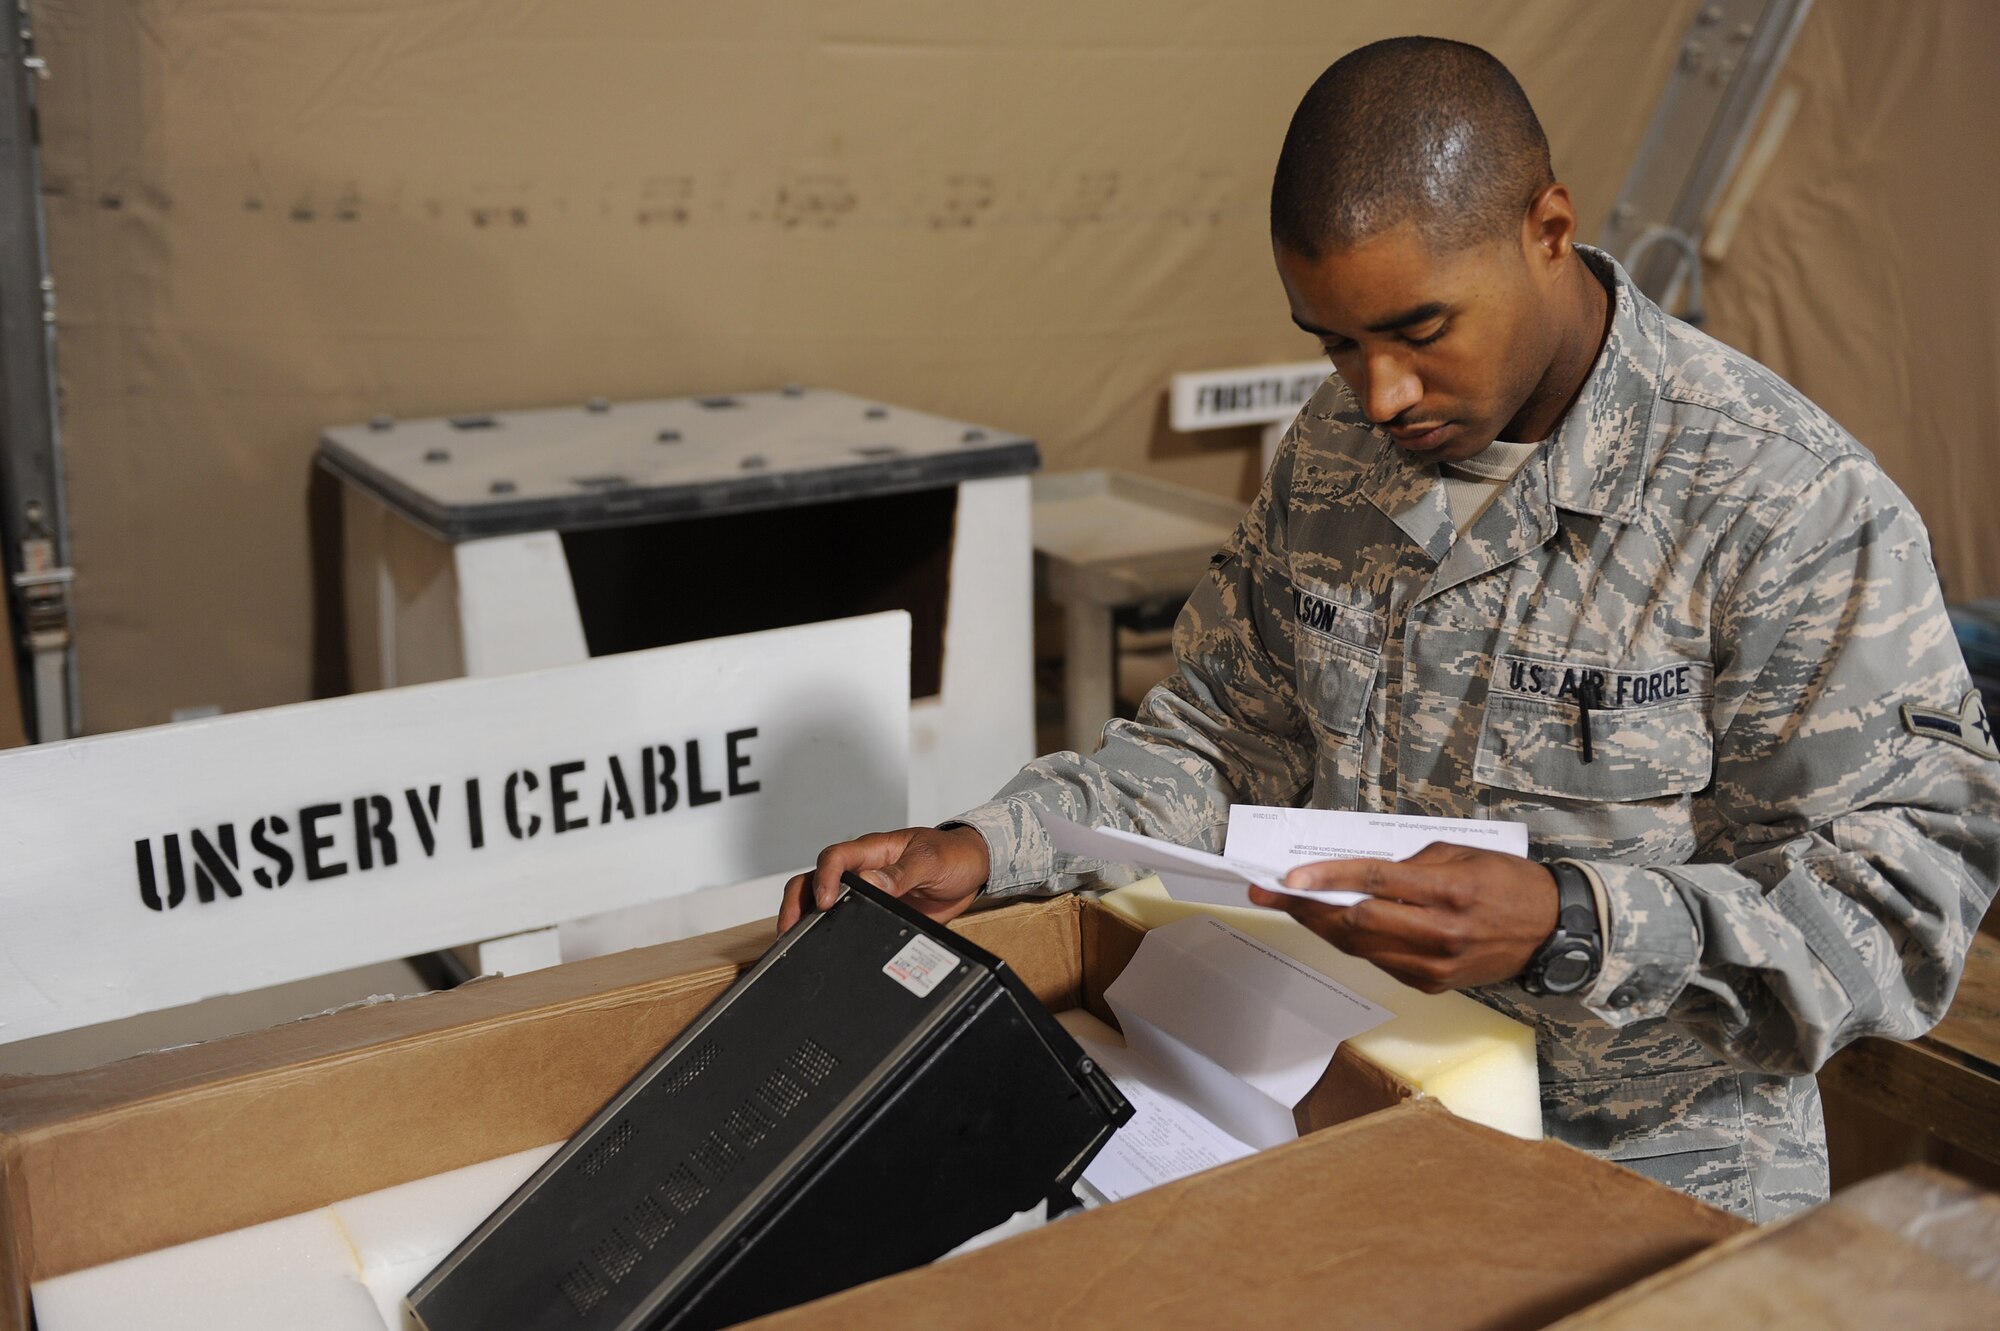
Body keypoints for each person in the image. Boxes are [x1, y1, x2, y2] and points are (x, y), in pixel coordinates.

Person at [779, 36, 2000, 1222]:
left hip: (1646, 1191)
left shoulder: (1777, 501)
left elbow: (1902, 903)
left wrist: (1571, 922)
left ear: (1548, 231)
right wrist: (992, 844)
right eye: (1334, 342)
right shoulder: (1334, 451)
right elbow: (1217, 742)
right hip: (1349, 1126)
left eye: (1419, 331)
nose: (1380, 394)